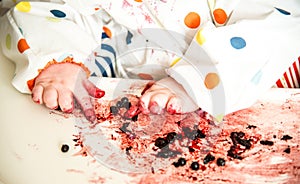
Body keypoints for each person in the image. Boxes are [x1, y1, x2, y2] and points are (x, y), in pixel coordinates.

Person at [0, 0, 299, 122]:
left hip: (265, 89)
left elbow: (280, 28)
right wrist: (62, 61)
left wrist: (196, 79)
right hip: (136, 96)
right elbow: (43, 10)